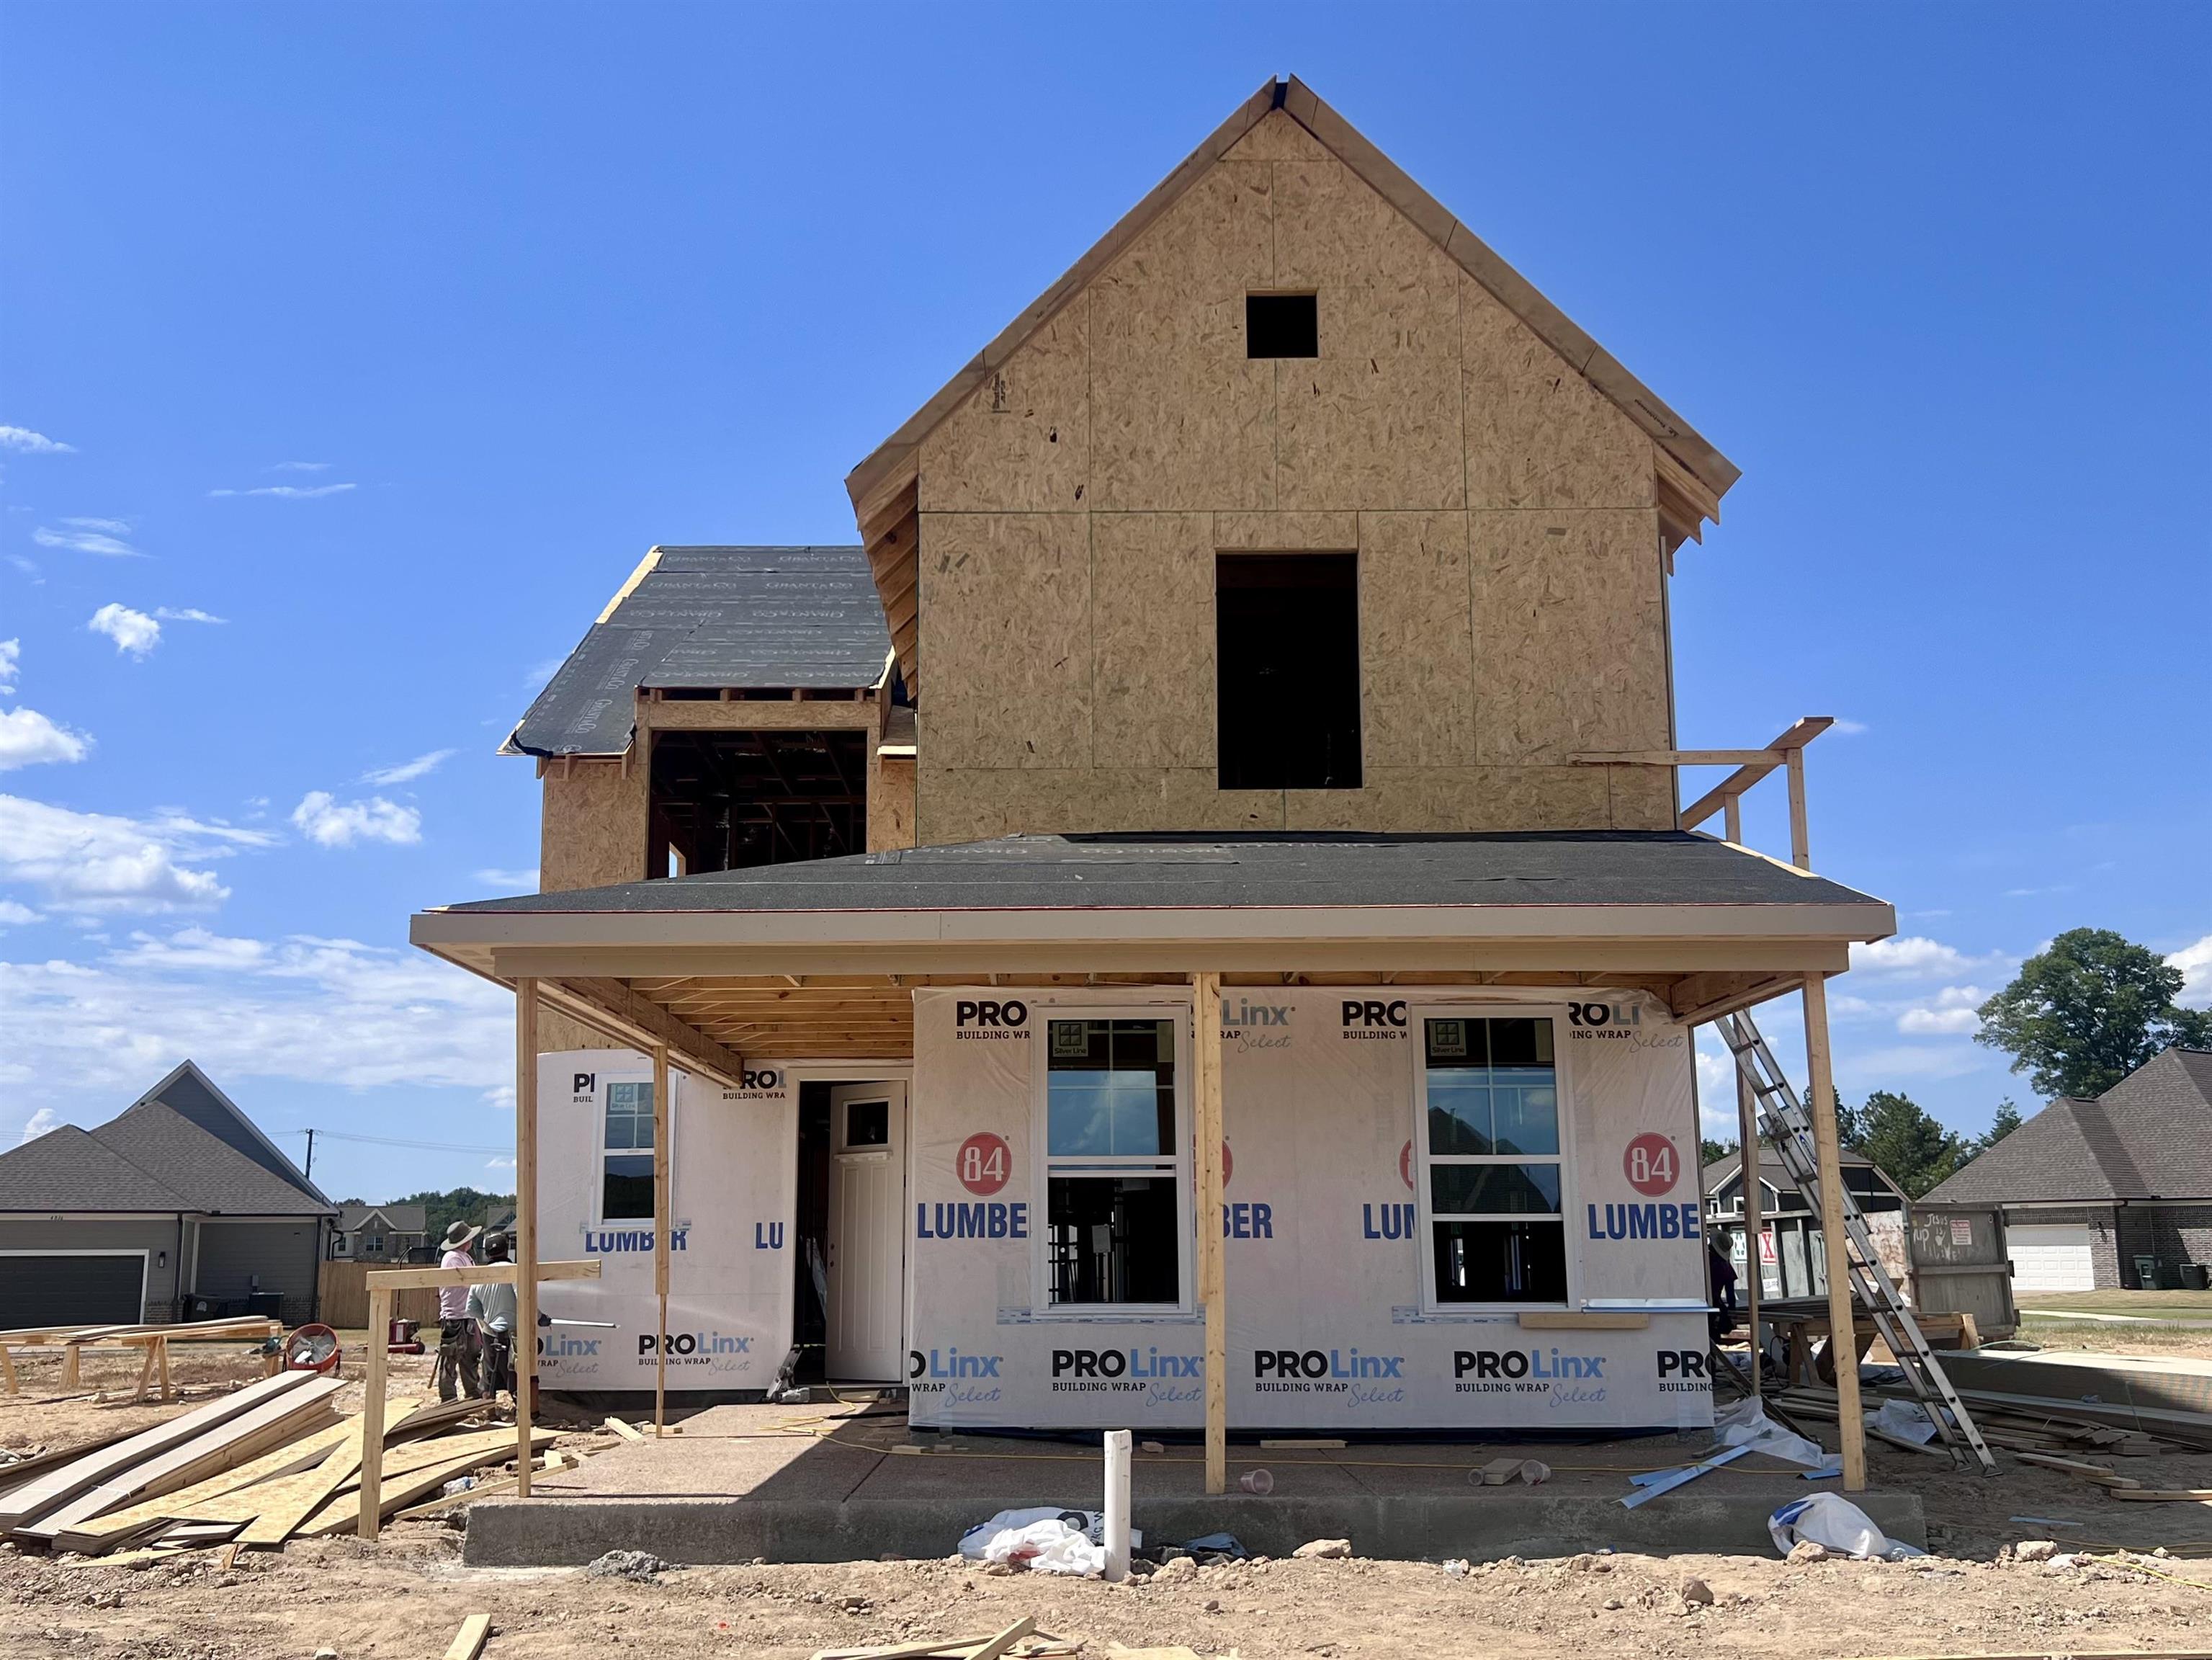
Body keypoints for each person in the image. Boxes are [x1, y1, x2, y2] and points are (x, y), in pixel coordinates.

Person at [467, 1230, 520, 1403]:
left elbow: (472, 1309)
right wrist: (539, 1317)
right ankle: (523, 1413)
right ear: (507, 1250)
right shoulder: (514, 1271)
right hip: (514, 1333)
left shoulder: (479, 1277)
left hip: (490, 1332)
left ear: (487, 1253)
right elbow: (524, 1299)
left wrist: (488, 1321)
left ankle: (489, 1411)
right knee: (516, 1373)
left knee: (489, 1374)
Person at [434, 1221, 483, 1401]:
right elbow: (467, 1282)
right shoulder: (453, 1258)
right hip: (455, 1316)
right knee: (451, 1358)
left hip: (466, 1315)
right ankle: (448, 1398)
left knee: (470, 1358)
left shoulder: (465, 1257)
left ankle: (472, 1392)